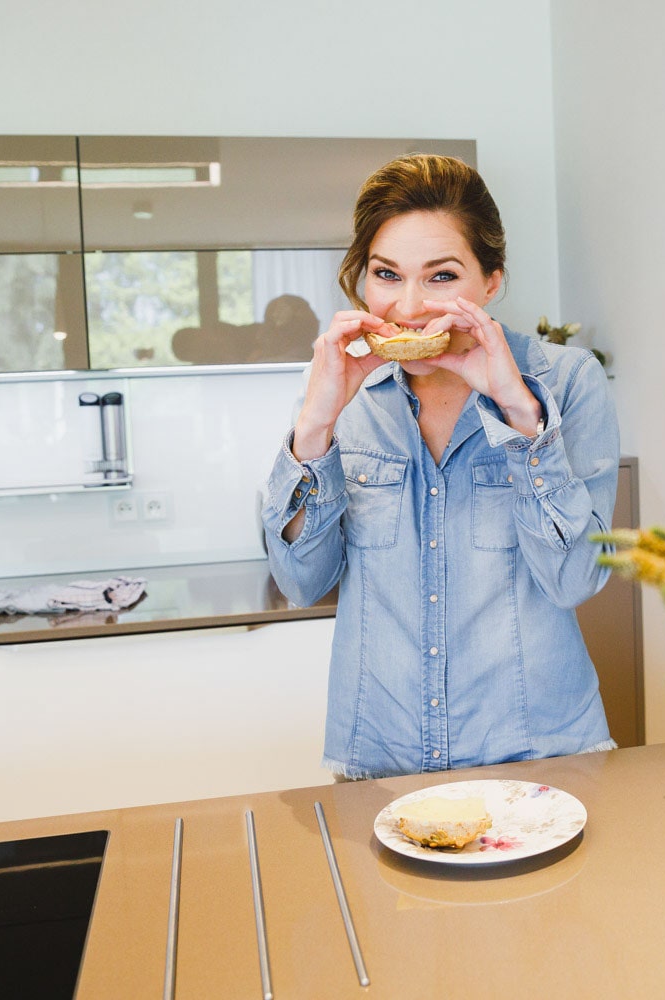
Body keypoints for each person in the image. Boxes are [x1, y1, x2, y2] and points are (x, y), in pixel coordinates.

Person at [261, 154, 620, 779]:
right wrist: (315, 427)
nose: (409, 307)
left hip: (541, 760)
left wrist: (518, 413)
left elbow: (574, 580)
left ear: (492, 281)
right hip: (381, 762)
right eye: (386, 275)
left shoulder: (565, 381)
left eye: (441, 276)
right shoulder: (339, 393)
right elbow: (300, 581)